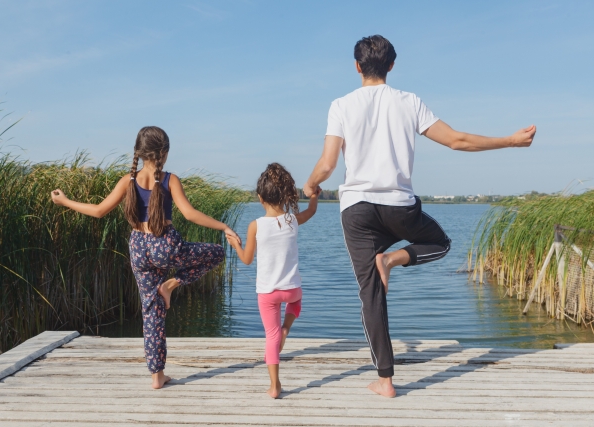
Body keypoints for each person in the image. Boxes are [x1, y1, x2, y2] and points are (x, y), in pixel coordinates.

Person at [303, 35, 536, 398]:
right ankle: (393, 259)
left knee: (371, 296)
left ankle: (385, 381)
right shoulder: (409, 102)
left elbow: (328, 164)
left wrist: (311, 184)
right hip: (400, 206)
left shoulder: (341, 105)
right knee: (440, 242)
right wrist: (510, 140)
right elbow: (457, 140)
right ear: (392, 66)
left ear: (356, 66)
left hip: (357, 210)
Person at [51, 126, 240, 389]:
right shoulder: (170, 180)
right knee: (217, 253)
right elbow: (189, 214)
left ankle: (156, 376)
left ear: (139, 153)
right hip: (166, 245)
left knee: (151, 313)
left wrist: (66, 201)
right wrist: (224, 227)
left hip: (138, 247)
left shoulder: (127, 181)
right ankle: (172, 285)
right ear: (163, 152)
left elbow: (98, 211)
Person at [227, 163, 319, 399]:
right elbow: (311, 212)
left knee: (271, 335)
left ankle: (275, 385)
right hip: (292, 291)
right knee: (296, 303)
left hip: (267, 293)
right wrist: (314, 198)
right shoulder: (291, 221)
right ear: (285, 195)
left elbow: (247, 260)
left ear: (260, 198)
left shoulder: (255, 226)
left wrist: (236, 244)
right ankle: (286, 327)